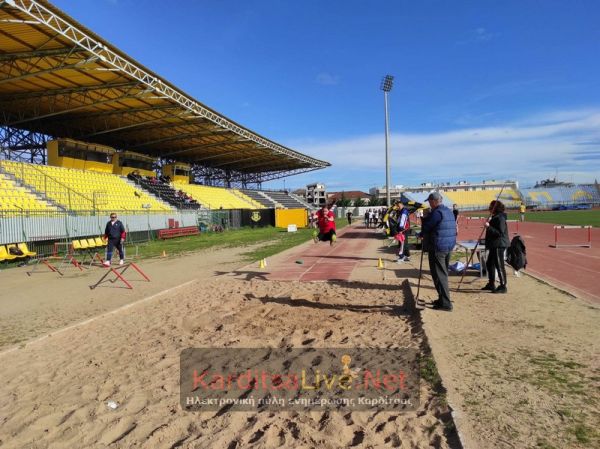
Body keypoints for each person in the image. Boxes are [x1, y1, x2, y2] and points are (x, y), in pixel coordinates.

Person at [420, 192, 457, 311]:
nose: (429, 204)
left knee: (439, 275)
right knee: (443, 274)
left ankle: (446, 303)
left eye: (430, 202)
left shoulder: (436, 213)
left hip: (438, 247)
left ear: (435, 201)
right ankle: (442, 299)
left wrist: (424, 218)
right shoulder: (448, 211)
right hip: (448, 246)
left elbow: (426, 227)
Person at [482, 200, 510, 293]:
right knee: (490, 263)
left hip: (499, 244)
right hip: (494, 244)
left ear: (495, 208)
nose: (489, 208)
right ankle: (491, 283)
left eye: (491, 207)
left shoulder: (500, 218)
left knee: (499, 265)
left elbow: (499, 233)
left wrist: (488, 227)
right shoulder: (495, 217)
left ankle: (503, 286)